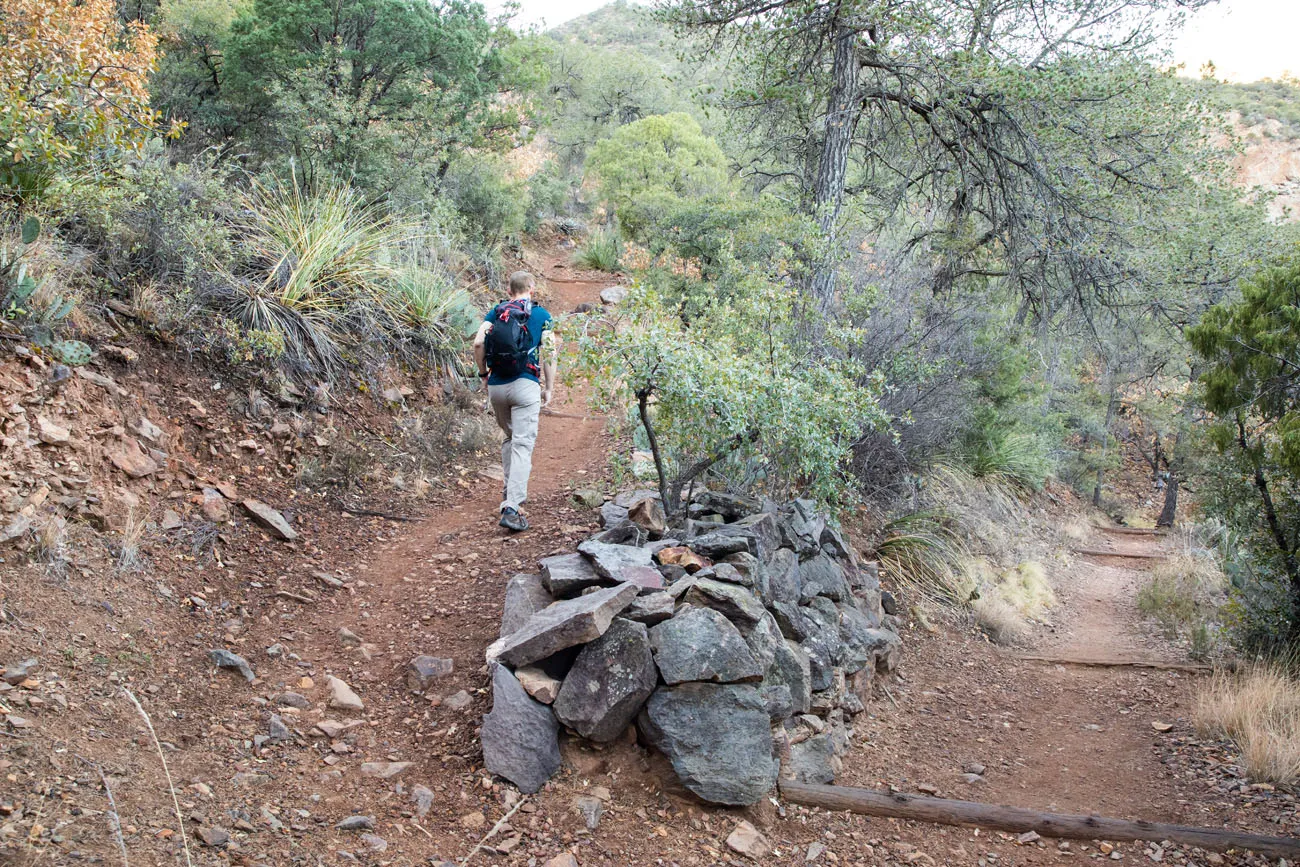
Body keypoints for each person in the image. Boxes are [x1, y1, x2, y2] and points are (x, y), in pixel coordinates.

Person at [474, 271, 555, 532]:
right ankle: (512, 507)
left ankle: (510, 491)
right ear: (532, 288)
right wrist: (549, 387)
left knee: (510, 438)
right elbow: (550, 351)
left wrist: (484, 375)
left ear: (509, 291)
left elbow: (478, 343)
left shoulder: (496, 312)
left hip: (497, 387)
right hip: (526, 385)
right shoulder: (541, 315)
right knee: (522, 444)